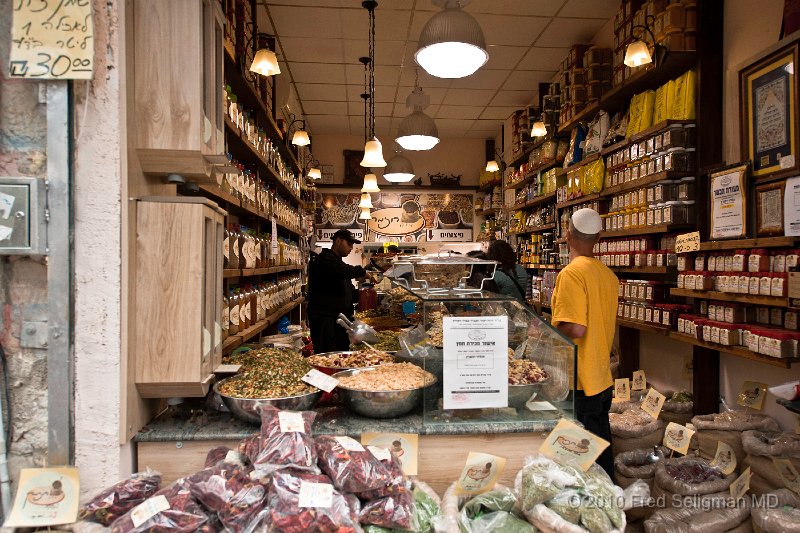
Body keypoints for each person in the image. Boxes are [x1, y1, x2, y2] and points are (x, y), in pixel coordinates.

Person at [550, 208, 619, 481]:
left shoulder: (571, 274)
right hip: (601, 378)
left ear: (568, 235)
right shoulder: (608, 275)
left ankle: (593, 513)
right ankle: (612, 507)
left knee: (579, 463)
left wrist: (546, 331)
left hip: (578, 382)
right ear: (598, 238)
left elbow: (576, 327)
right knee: (602, 453)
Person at [308, 229, 372, 354]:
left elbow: (348, 292)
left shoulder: (337, 263)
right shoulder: (325, 259)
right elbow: (344, 271)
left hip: (339, 321)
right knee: (327, 357)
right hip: (326, 321)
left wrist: (364, 294)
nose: (351, 248)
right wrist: (364, 273)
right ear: (338, 240)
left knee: (339, 356)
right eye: (349, 244)